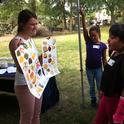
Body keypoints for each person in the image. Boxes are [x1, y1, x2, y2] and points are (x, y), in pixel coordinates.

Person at [9, 9, 42, 124]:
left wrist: (46, 56)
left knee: (36, 115)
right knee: (27, 118)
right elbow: (21, 69)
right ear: (22, 24)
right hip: (24, 84)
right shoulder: (16, 42)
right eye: (32, 24)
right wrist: (22, 52)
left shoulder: (29, 40)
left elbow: (36, 62)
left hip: (36, 81)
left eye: (36, 24)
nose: (35, 27)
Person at [93, 23, 124, 124]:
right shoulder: (115, 52)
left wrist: (120, 109)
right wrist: (102, 89)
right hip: (105, 96)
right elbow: (108, 71)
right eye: (109, 36)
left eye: (113, 37)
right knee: (98, 120)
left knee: (112, 120)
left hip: (113, 100)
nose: (108, 40)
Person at [80, 7, 107, 107]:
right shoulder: (88, 42)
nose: (93, 37)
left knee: (99, 85)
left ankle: (102, 100)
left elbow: (104, 58)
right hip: (89, 69)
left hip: (98, 69)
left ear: (99, 34)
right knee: (91, 85)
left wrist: (106, 69)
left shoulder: (103, 45)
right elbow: (84, 28)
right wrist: (83, 16)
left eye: (94, 35)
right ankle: (93, 100)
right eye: (91, 35)